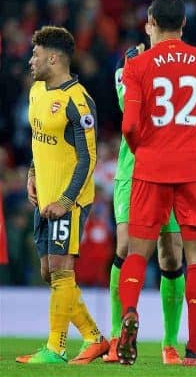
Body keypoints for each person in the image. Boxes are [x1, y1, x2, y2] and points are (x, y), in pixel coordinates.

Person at [104, 44, 196, 365]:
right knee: (189, 255)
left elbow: (131, 122)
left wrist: (143, 151)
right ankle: (177, 346)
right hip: (171, 170)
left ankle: (155, 333)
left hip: (151, 167)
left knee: (155, 253)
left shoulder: (140, 64)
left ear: (152, 22)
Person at [17, 25, 109, 364]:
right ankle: (95, 338)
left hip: (69, 199)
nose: (31, 61)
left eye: (36, 55)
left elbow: (89, 157)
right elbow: (37, 139)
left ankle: (56, 348)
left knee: (59, 269)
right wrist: (31, 173)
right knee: (48, 271)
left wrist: (66, 201)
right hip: (45, 197)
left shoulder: (78, 101)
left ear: (53, 58)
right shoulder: (37, 92)